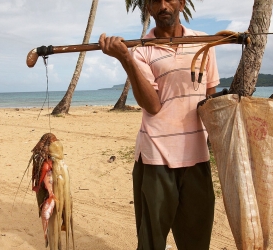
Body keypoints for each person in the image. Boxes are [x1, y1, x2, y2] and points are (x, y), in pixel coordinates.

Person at [98, 0, 219, 249]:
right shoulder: (142, 51)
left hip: (197, 156)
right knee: (151, 242)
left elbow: (210, 97)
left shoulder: (204, 42)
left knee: (197, 241)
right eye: (155, 1)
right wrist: (126, 60)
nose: (163, 5)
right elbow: (152, 106)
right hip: (156, 158)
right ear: (149, 9)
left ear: (182, 3)